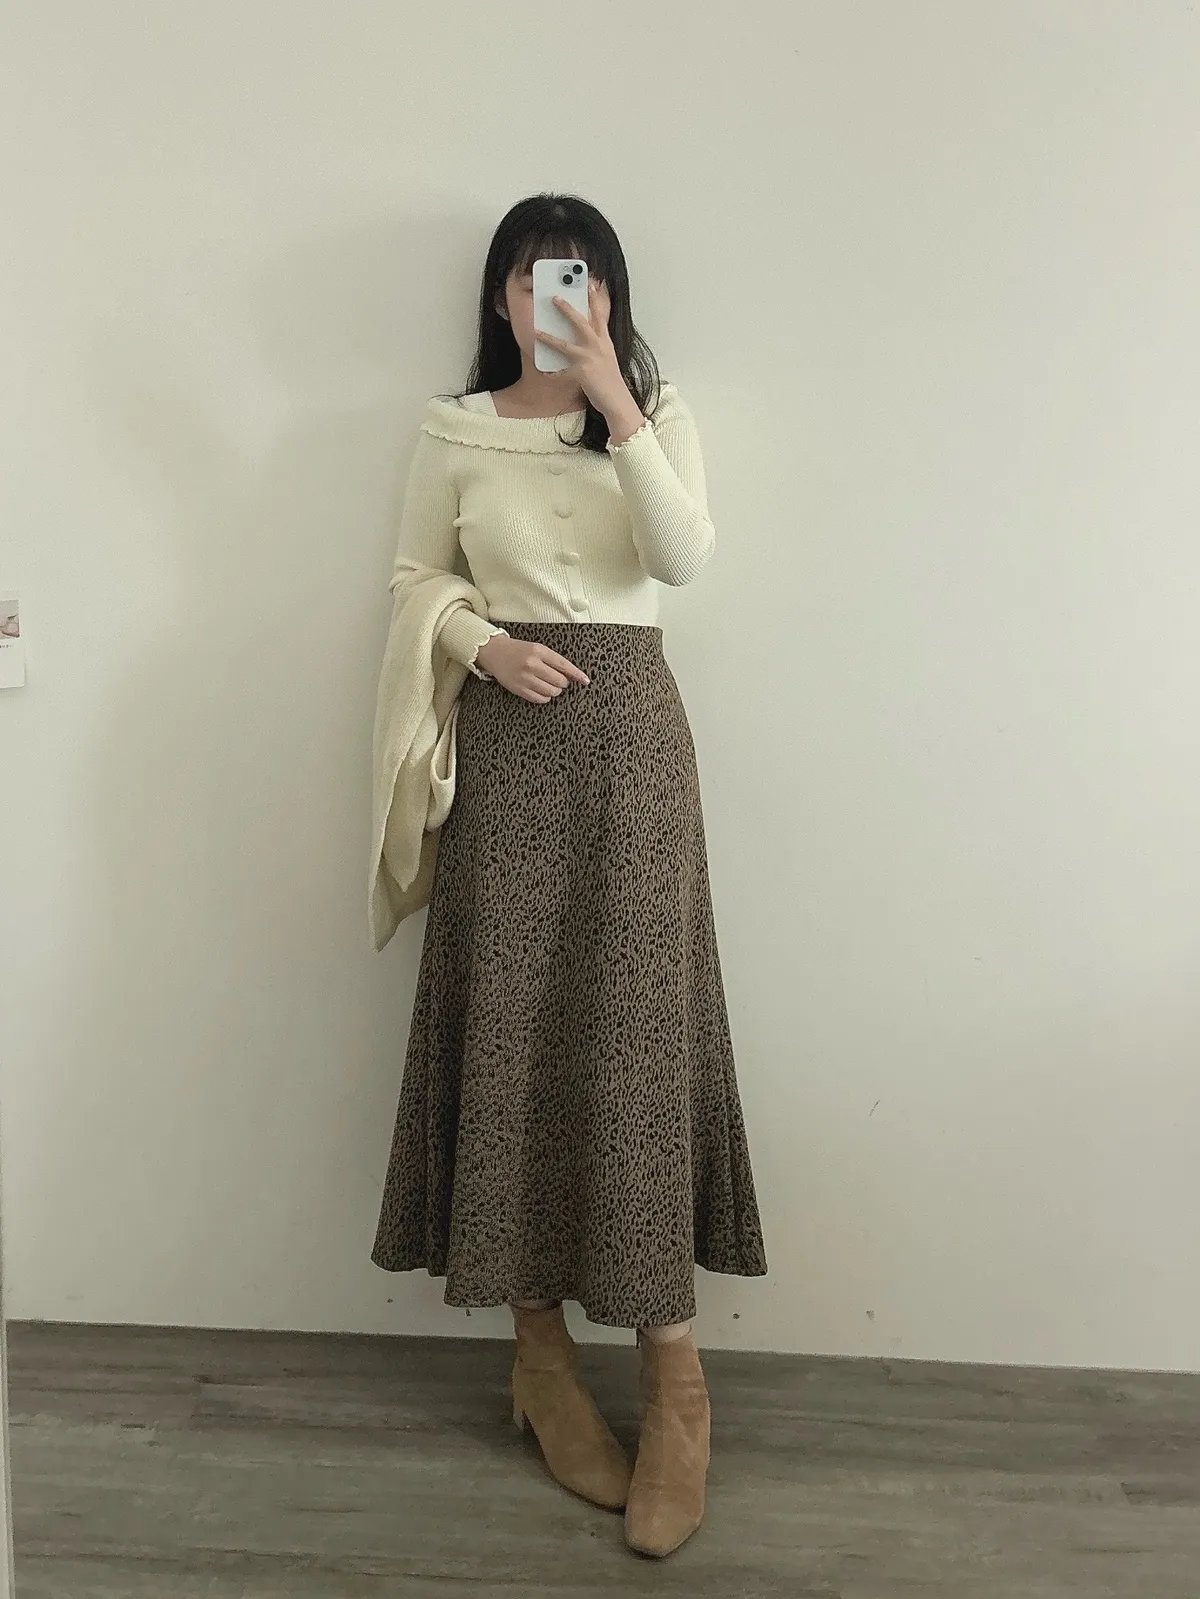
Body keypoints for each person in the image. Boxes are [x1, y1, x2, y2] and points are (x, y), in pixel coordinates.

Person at [369, 192, 767, 1559]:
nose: (557, 296)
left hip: (634, 744)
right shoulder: (454, 429)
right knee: (515, 1033)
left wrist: (616, 400)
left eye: (580, 277)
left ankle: (676, 1384)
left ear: (609, 293)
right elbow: (414, 577)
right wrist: (478, 644)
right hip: (509, 751)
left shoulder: (656, 407)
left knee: (637, 1039)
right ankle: (539, 1360)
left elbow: (683, 559)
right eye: (536, 277)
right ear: (499, 295)